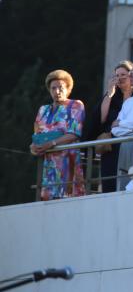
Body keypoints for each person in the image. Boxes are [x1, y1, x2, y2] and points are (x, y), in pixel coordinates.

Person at [30, 69, 86, 200]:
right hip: (48, 167)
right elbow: (37, 135)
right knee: (47, 206)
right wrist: (33, 147)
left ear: (68, 89)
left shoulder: (76, 105)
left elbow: (75, 133)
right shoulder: (43, 109)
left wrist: (52, 143)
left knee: (69, 203)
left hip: (68, 164)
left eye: (61, 87)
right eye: (53, 88)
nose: (57, 91)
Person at [83, 60, 133, 193]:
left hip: (130, 144)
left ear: (131, 76)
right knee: (109, 183)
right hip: (111, 146)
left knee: (128, 182)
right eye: (117, 75)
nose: (120, 78)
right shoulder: (112, 96)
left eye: (123, 74)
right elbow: (101, 118)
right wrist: (109, 94)